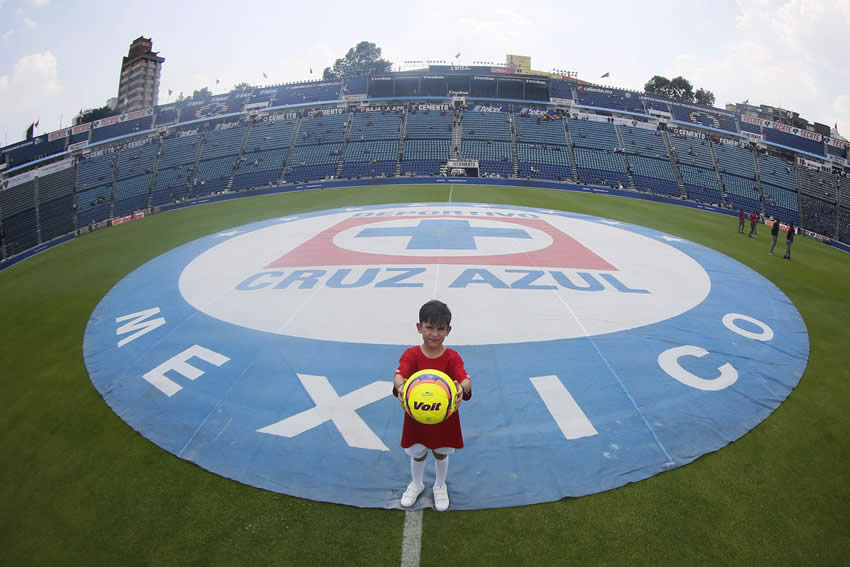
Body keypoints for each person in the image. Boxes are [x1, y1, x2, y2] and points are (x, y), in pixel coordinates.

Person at [392, 300, 471, 512]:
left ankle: (439, 485)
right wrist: (401, 387)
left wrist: (461, 388)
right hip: (416, 415)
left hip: (445, 417)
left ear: (448, 331)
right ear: (419, 327)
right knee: (417, 451)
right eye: (429, 327)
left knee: (441, 451)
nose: (434, 334)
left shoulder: (452, 357)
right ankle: (417, 484)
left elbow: (465, 380)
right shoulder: (411, 354)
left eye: (440, 329)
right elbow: (399, 375)